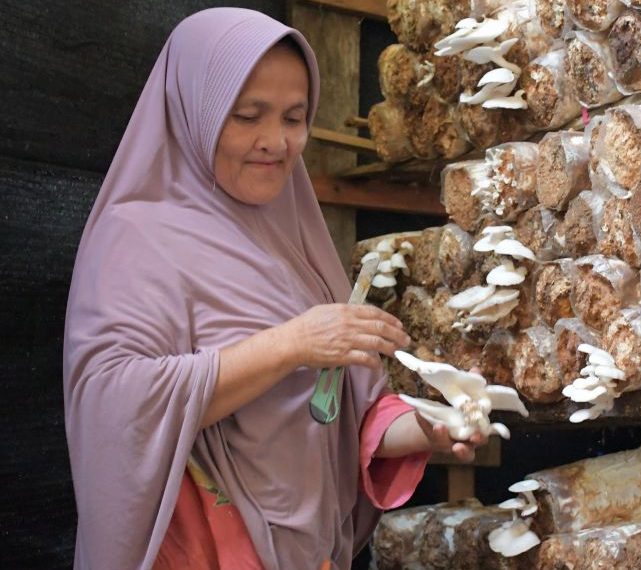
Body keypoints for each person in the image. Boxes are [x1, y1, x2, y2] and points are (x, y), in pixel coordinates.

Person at [63, 8, 481, 569]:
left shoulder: (293, 240)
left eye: (294, 116)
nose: (276, 142)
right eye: (246, 116)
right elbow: (114, 406)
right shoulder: (138, 237)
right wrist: (291, 344)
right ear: (195, 110)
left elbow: (340, 410)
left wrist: (426, 427)